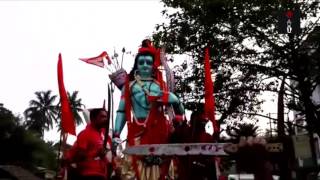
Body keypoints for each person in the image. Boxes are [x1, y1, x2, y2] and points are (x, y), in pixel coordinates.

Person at [112, 39, 184, 180]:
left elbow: (179, 114)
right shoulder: (128, 86)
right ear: (137, 65)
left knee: (162, 171)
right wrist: (116, 134)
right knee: (134, 171)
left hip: (161, 133)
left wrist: (175, 100)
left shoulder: (162, 85)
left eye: (149, 62)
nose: (145, 65)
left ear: (153, 66)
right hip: (137, 133)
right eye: (141, 62)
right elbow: (121, 111)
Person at [64, 108, 109, 180]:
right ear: (93, 118)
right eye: (102, 117)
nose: (106, 119)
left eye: (106, 117)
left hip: (101, 173)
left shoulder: (99, 135)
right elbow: (80, 156)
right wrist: (97, 154)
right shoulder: (86, 134)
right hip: (90, 174)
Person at [173, 106, 217, 180]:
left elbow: (211, 158)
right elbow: (174, 141)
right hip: (185, 170)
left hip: (202, 171)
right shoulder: (184, 132)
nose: (203, 123)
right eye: (201, 120)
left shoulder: (207, 137)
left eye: (205, 121)